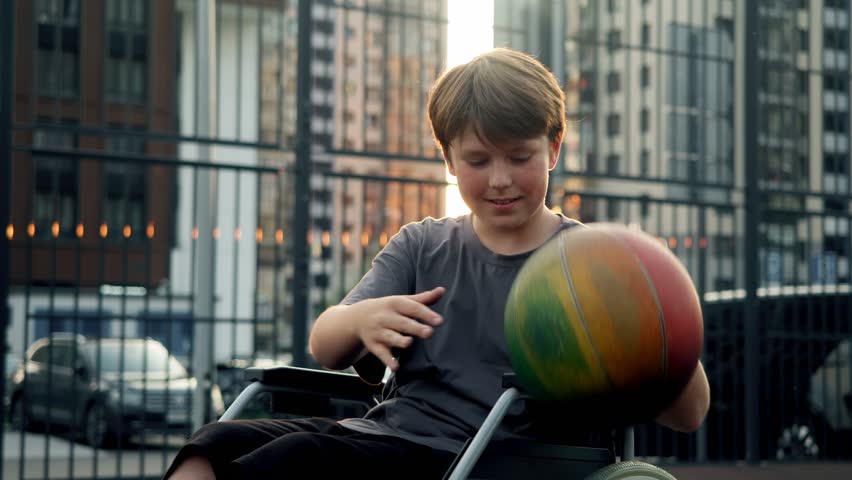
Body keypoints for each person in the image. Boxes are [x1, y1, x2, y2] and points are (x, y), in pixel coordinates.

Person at [165, 47, 710, 480]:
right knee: (210, 449)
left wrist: (653, 303)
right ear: (449, 160)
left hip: (499, 457)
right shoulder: (422, 245)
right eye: (477, 160)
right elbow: (324, 344)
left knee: (294, 462)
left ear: (555, 148)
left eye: (520, 157)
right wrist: (360, 320)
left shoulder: (597, 267)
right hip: (389, 436)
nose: (499, 178)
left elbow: (690, 414)